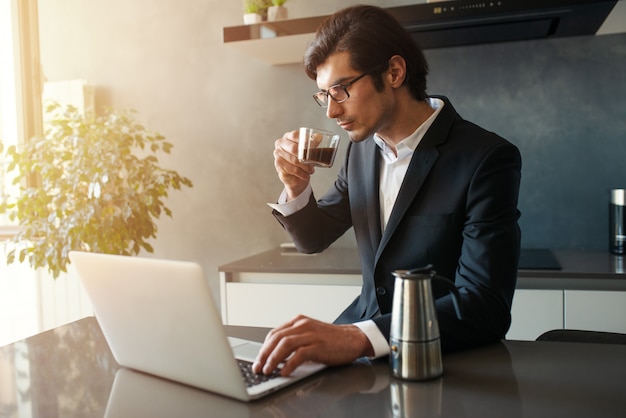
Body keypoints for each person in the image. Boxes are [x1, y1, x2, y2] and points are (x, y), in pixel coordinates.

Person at [253, 5, 521, 377]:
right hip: (357, 355)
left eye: (341, 90)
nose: (330, 111)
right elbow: (314, 238)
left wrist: (358, 338)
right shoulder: (361, 149)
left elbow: (485, 306)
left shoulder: (486, 158)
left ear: (394, 72)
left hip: (438, 362)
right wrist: (296, 187)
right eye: (323, 96)